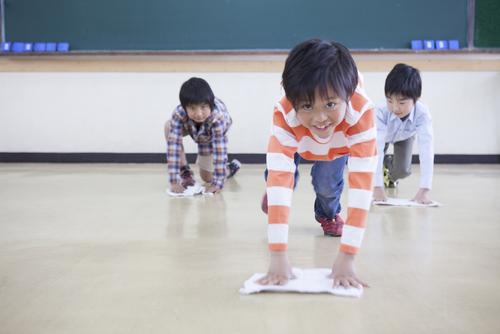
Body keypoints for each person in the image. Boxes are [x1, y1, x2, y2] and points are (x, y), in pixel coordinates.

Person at [258, 39, 377, 288]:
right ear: (294, 101)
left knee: (326, 184)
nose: (320, 117)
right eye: (308, 106)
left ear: (347, 95)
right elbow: (281, 175)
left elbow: (362, 187)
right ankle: (273, 192)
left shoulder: (362, 113)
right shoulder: (285, 112)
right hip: (297, 138)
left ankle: (328, 215)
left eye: (330, 104)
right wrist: (278, 255)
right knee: (278, 180)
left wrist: (347, 257)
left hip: (339, 142)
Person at [164, 77, 240, 194]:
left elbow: (220, 151)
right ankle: (185, 172)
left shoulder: (218, 118)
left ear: (210, 105)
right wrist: (174, 182)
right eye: (192, 108)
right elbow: (173, 146)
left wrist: (217, 183)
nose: (199, 114)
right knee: (169, 126)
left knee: (207, 177)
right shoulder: (179, 113)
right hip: (191, 127)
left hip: (211, 134)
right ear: (185, 107)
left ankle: (229, 168)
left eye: (203, 107)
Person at [372, 63, 434, 204]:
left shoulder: (422, 114)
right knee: (375, 158)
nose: (395, 108)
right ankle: (383, 170)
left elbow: (427, 150)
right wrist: (377, 187)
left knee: (403, 171)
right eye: (390, 100)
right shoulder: (380, 111)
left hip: (405, 137)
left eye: (402, 102)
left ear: (416, 99)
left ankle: (388, 167)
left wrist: (424, 190)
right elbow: (376, 149)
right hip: (383, 136)